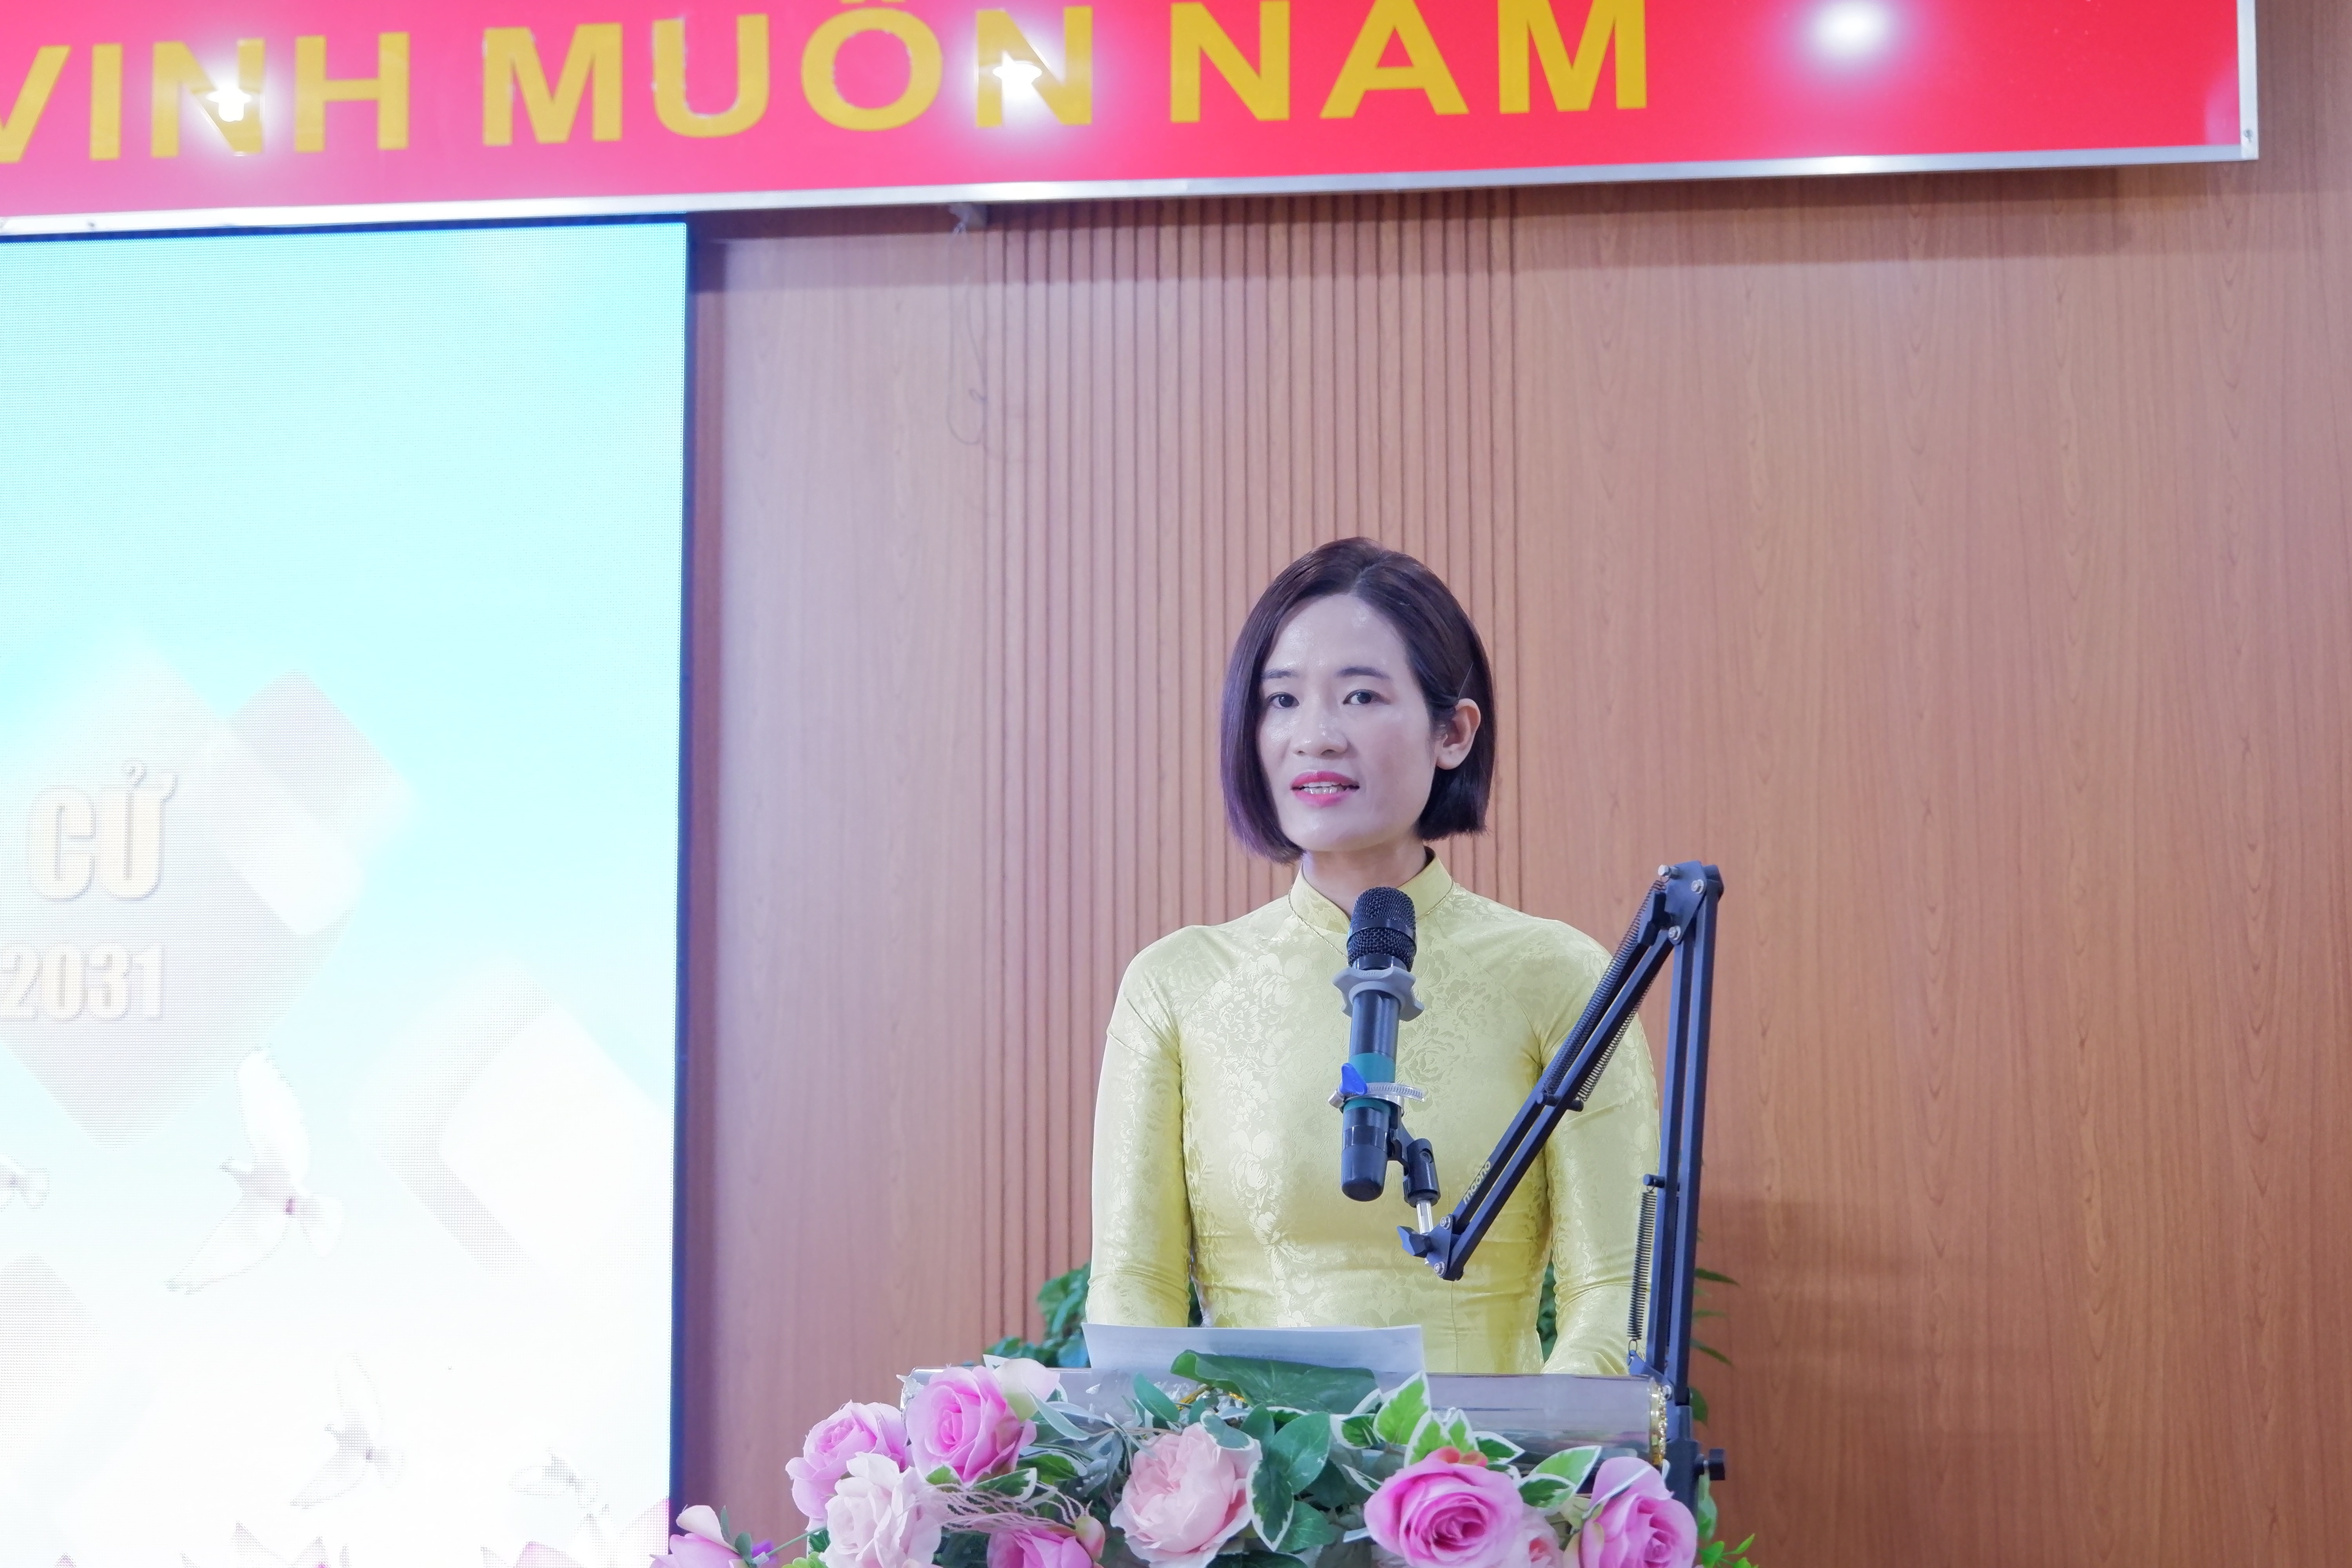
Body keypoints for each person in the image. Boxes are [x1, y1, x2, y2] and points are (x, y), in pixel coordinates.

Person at [1088, 538, 1658, 1375]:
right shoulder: (1176, 986)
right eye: (1282, 700)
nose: (1315, 737)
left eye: (1359, 695)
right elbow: (1133, 1286)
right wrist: (1185, 1454)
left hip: (1486, 1459)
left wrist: (1515, 1454)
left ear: (1453, 732)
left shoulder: (1559, 975)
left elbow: (1616, 1294)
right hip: (1241, 1459)